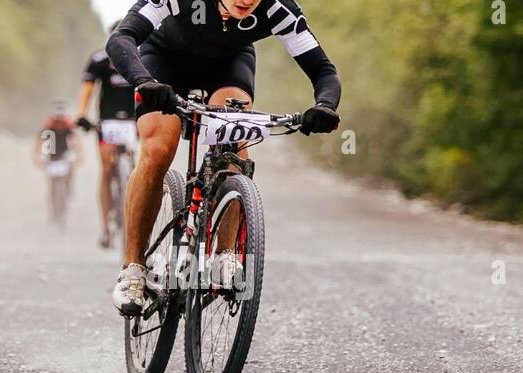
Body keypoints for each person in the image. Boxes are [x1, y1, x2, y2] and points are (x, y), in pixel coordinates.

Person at [105, 0, 342, 316]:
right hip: (163, 61)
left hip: (228, 65)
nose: (246, 0)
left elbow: (323, 69)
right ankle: (133, 267)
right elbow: (120, 40)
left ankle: (225, 254)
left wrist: (324, 105)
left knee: (233, 133)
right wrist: (145, 82)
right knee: (159, 148)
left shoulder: (278, 8)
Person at [75, 20, 137, 249]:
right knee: (107, 167)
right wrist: (81, 114)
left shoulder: (139, 59)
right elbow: (87, 89)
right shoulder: (99, 59)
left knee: (138, 165)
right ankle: (105, 227)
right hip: (107, 122)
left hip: (133, 120)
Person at [33, 102, 83, 221]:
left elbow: (76, 140)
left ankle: (69, 188)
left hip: (64, 154)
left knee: (70, 167)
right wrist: (37, 157)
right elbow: (38, 142)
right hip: (51, 155)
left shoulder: (68, 124)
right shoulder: (48, 125)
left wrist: (79, 155)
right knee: (51, 184)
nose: (59, 122)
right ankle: (52, 211)